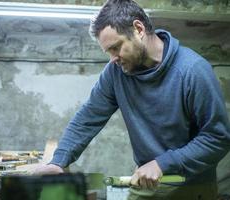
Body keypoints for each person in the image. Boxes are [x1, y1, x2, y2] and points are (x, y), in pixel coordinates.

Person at [32, 0, 230, 199]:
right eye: (108, 51)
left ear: (138, 29)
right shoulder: (115, 72)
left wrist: (163, 163)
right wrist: (58, 161)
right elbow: (88, 117)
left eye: (116, 47)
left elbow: (217, 138)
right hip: (146, 182)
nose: (113, 58)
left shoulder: (192, 71)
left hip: (192, 187)